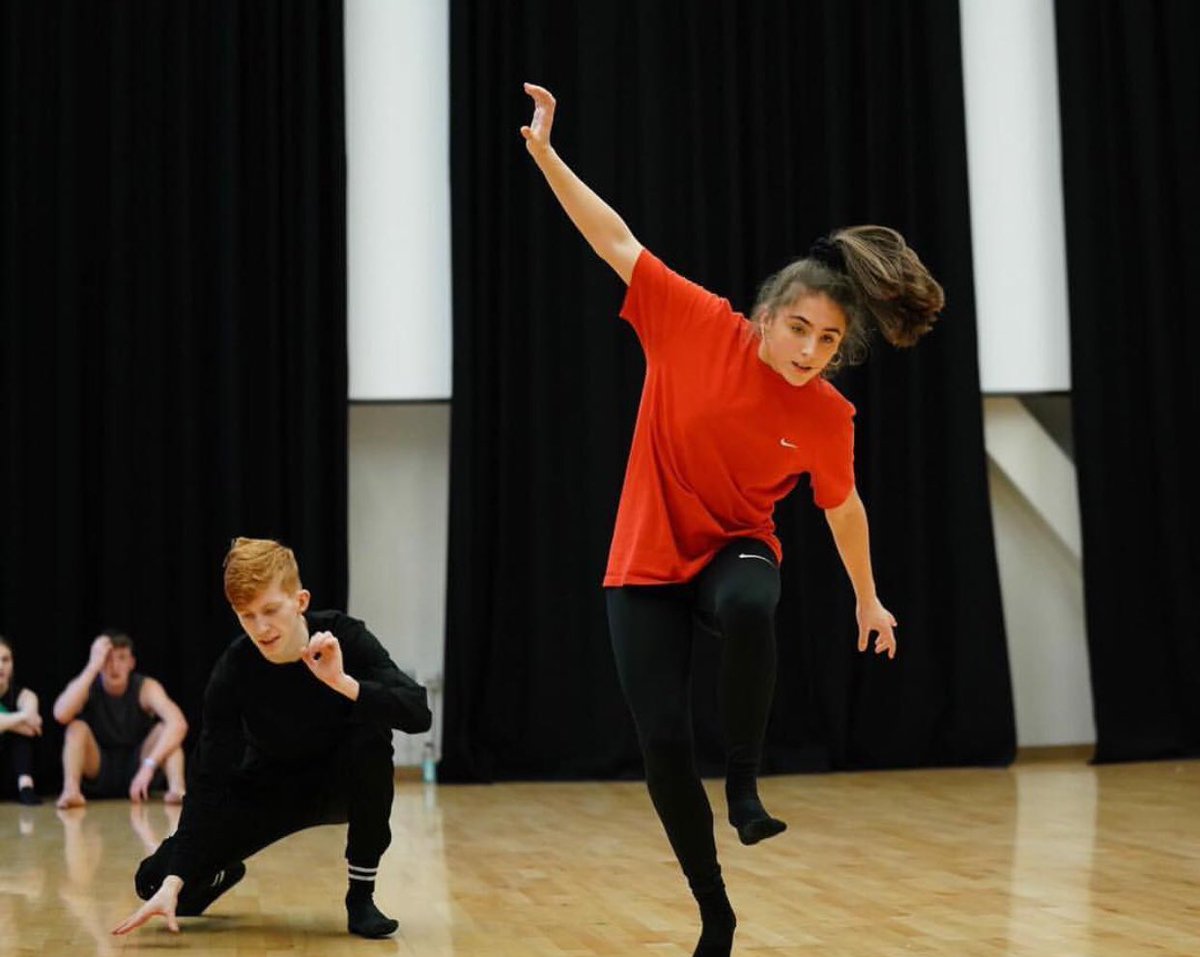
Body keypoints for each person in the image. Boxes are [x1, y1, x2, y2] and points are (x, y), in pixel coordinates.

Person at [520, 83, 944, 957]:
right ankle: (714, 908)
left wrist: (869, 598)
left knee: (755, 601)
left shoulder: (828, 414)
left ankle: (746, 788)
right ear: (764, 315)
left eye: (828, 341)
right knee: (664, 742)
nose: (809, 351)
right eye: (798, 329)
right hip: (642, 561)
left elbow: (843, 505)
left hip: (733, 549)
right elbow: (615, 238)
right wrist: (547, 156)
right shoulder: (693, 322)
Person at [112, 537, 432, 939]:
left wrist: (343, 683)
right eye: (247, 616)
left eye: (270, 610)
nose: (261, 627)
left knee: (369, 733)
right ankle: (217, 872)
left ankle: (361, 898)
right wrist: (175, 879)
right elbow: (208, 778)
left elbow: (418, 712)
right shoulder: (234, 670)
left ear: (300, 601)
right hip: (268, 789)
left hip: (340, 782)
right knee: (154, 882)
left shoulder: (344, 637)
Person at [53, 630, 189, 808]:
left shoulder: (146, 687)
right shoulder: (87, 685)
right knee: (76, 727)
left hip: (139, 764)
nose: (114, 665)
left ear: (132, 662)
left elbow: (179, 723)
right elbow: (60, 714)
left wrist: (148, 766)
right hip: (98, 766)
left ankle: (177, 790)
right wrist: (92, 667)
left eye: (122, 658)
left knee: (167, 730)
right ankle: (71, 791)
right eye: (107, 658)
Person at [0, 635, 43, 805]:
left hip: (9, 773)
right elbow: (28, 723)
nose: (0, 666)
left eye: (5, 660)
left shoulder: (25, 695)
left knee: (21, 739)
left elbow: (33, 728)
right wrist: (22, 719)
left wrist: (6, 724)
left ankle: (26, 787)